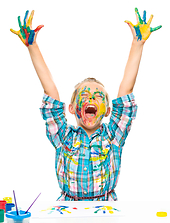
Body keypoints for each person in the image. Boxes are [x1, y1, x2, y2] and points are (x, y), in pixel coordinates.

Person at [10, 8, 162, 201]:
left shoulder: (114, 135)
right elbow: (51, 93)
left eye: (98, 96)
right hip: (68, 210)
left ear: (107, 111)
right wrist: (32, 46)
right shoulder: (63, 136)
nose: (91, 99)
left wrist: (137, 44)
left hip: (106, 210)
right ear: (72, 108)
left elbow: (126, 91)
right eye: (85, 95)